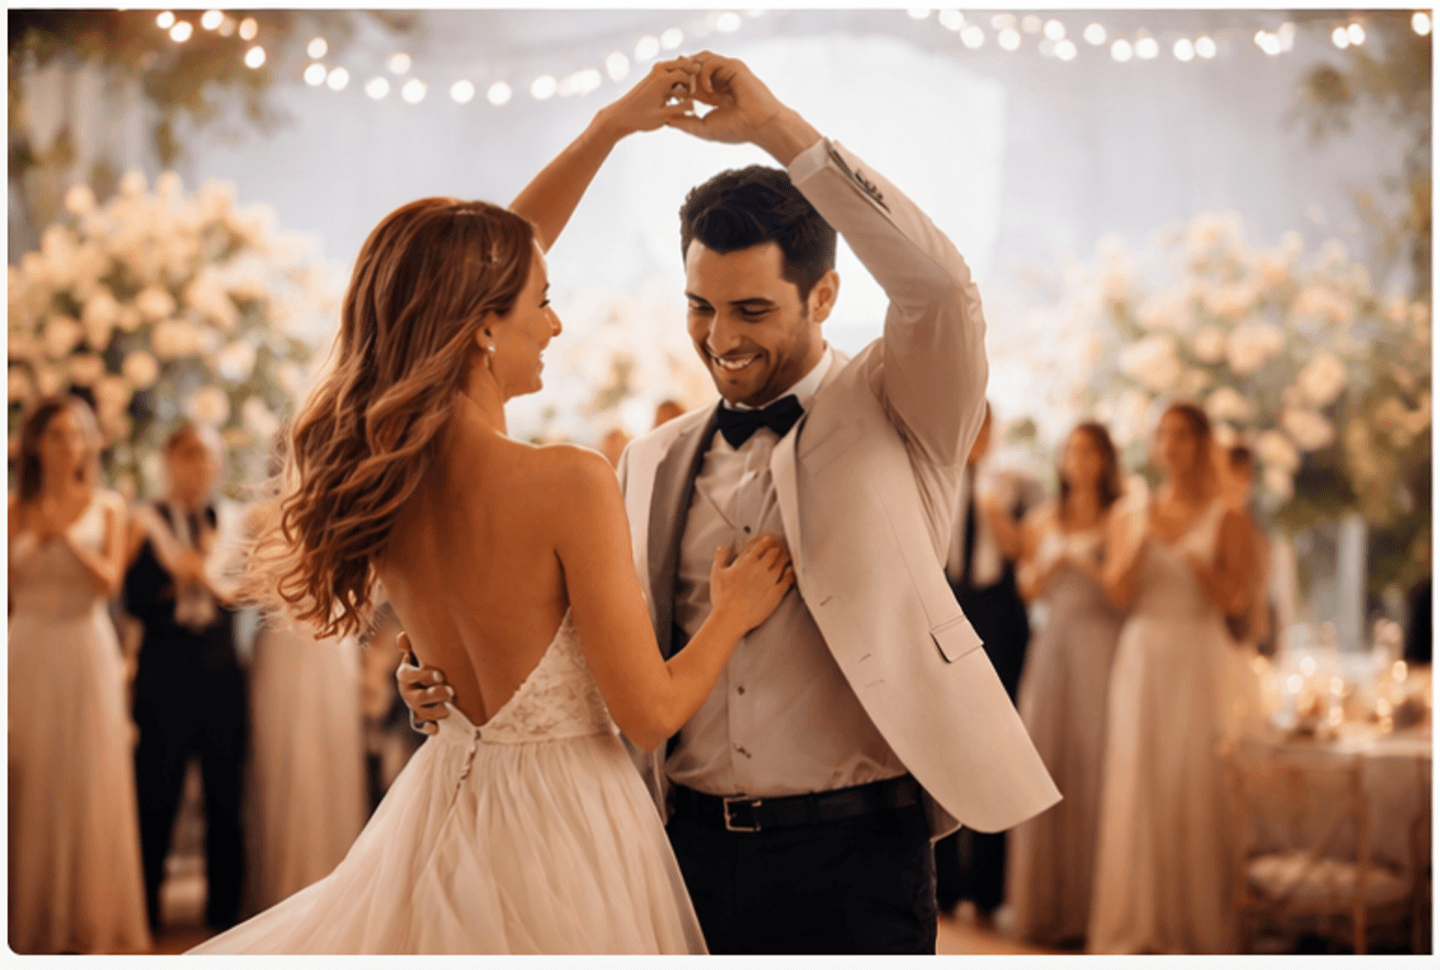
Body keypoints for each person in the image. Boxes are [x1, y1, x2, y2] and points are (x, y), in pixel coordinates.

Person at [403, 52, 1059, 955]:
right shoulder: (645, 461)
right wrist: (453, 674)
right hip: (677, 855)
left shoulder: (907, 408)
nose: (721, 339)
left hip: (859, 856)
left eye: (752, 309)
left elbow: (940, 287)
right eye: (700, 307)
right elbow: (605, 657)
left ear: (825, 294)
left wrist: (778, 130)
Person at [191, 59, 794, 955]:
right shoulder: (567, 480)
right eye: (541, 304)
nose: (554, 325)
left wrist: (608, 128)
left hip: (446, 811)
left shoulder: (384, 480)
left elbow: (481, 263)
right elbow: (650, 711)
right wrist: (734, 612)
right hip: (563, 828)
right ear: (480, 326)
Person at [1088, 402, 1251, 954]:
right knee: (1141, 781)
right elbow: (1115, 593)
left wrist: (1187, 552)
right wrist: (1141, 542)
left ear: (1202, 445)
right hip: (1143, 653)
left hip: (1199, 654)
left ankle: (1197, 927)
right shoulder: (1129, 514)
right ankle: (1139, 925)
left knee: (1194, 782)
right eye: (1164, 436)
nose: (1172, 446)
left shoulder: (1227, 517)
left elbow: (1236, 600)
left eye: (1183, 435)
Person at [8, 394, 151, 954]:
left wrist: (64, 539)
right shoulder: (13, 507)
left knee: (88, 776)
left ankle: (92, 923)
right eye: (57, 435)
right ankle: (29, 921)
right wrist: (33, 537)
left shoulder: (107, 505)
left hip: (87, 647)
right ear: (35, 443)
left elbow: (111, 583)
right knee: (29, 775)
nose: (68, 445)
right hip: (27, 646)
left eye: (78, 434)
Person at [1004, 421, 1128, 948]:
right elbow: (1028, 588)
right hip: (1053, 645)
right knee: (1047, 762)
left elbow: (1125, 591)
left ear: (1105, 459)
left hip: (1101, 645)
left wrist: (1080, 559)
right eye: (1071, 450)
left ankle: (1093, 909)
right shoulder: (1041, 518)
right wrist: (1051, 566)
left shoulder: (1120, 516)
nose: (1078, 460)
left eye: (1089, 451)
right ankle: (1044, 907)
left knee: (1095, 763)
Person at [124, 423, 249, 934]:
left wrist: (215, 581)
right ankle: (145, 912)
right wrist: (178, 578)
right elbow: (131, 599)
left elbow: (249, 594)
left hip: (220, 672)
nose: (198, 465)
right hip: (164, 670)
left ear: (218, 464)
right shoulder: (144, 520)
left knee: (227, 796)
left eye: (207, 456)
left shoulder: (231, 521)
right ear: (169, 460)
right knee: (156, 793)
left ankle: (226, 917)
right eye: (189, 454)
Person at [934, 401, 1038, 922]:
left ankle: (990, 889)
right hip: (949, 609)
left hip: (1000, 617)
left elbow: (1026, 554)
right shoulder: (936, 476)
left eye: (984, 425)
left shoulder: (1015, 483)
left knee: (996, 747)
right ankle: (945, 884)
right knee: (947, 747)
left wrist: (992, 505)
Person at [242, 498, 368, 915]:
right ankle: (285, 893)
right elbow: (242, 592)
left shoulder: (350, 511)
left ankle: (339, 887)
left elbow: (367, 594)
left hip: (333, 650)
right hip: (284, 649)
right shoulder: (260, 517)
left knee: (332, 764)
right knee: (286, 763)